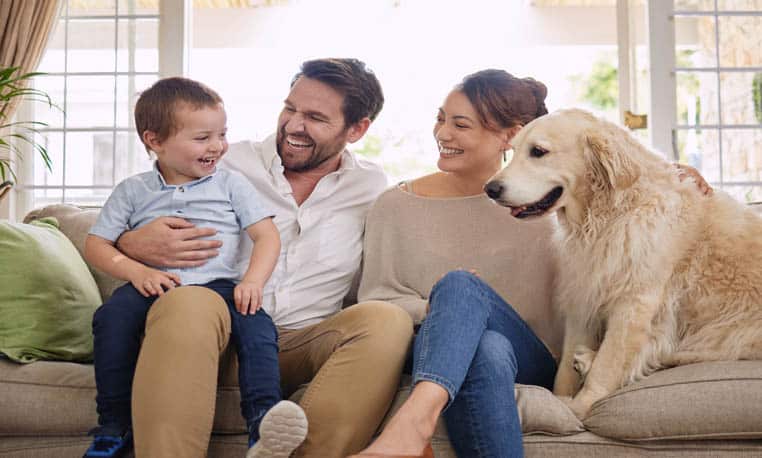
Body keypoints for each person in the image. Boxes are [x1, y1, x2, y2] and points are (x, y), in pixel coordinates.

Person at [353, 69, 712, 458]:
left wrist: (676, 175)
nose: (443, 133)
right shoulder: (395, 206)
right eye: (440, 119)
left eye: (460, 124)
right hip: (437, 348)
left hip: (532, 355)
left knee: (461, 289)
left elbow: (616, 190)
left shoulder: (550, 205)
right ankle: (415, 423)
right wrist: (454, 310)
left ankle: (411, 426)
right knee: (479, 333)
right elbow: (379, 298)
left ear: (511, 135)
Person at [113, 59, 413, 458]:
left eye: (315, 117)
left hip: (303, 342)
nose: (293, 125)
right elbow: (130, 212)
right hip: (218, 335)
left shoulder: (370, 186)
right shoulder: (223, 160)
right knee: (188, 299)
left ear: (356, 129)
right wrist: (131, 243)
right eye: (290, 108)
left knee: (387, 320)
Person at [82, 77, 307, 458]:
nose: (218, 146)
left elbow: (267, 236)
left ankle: (263, 424)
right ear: (154, 140)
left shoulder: (231, 184)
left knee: (258, 329)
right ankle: (114, 426)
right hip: (152, 285)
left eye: (222, 134)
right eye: (203, 138)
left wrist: (252, 281)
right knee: (110, 318)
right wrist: (136, 272)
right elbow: (96, 244)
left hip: (219, 287)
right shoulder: (133, 190)